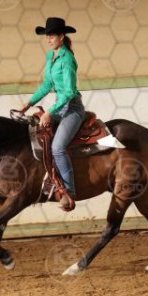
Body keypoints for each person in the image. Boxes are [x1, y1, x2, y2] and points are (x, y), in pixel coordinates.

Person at [21, 17, 85, 210]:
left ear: (62, 36)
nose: (48, 39)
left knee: (57, 147)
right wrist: (29, 103)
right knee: (35, 132)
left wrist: (50, 112)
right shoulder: (51, 56)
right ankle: (47, 180)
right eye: (47, 36)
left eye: (52, 36)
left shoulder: (68, 59)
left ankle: (69, 191)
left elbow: (69, 91)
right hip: (59, 107)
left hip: (72, 109)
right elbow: (47, 84)